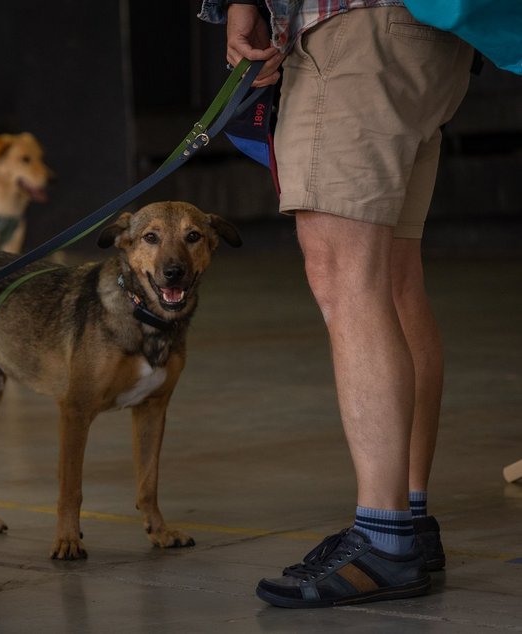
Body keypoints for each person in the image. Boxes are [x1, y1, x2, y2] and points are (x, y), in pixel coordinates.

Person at [200, 0, 475, 608]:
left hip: (354, 31)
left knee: (346, 278)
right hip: (427, 37)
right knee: (393, 281)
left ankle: (384, 541)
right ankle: (407, 520)